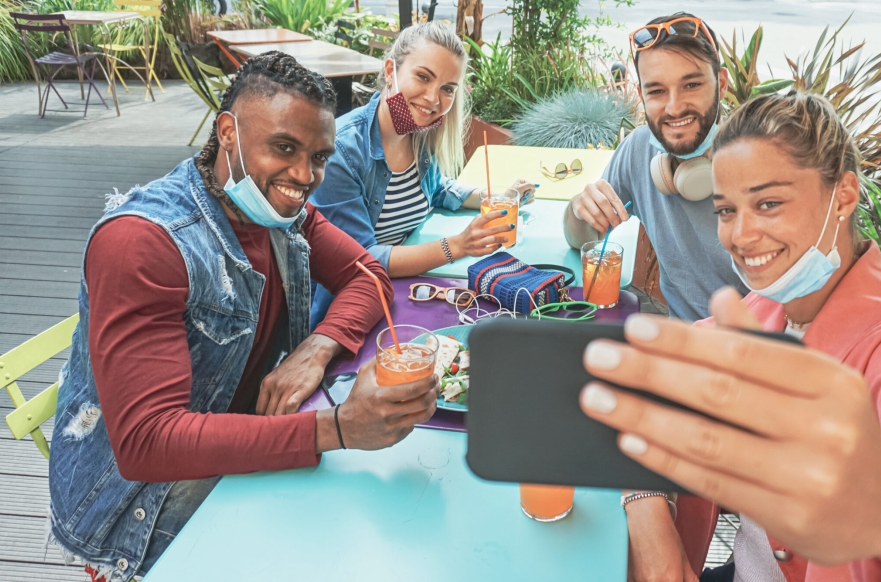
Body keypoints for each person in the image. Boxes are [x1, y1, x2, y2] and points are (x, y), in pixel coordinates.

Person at [580, 91, 881, 581]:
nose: (740, 234)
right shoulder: (765, 312)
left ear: (843, 195)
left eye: (769, 203)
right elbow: (647, 392)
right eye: (727, 210)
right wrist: (654, 528)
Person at [47, 52, 440, 582]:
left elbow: (366, 274)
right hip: (134, 505)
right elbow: (146, 444)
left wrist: (317, 347)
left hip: (243, 438)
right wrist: (338, 429)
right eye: (284, 148)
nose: (305, 176)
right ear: (228, 132)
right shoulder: (143, 242)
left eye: (320, 157)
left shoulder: (280, 211)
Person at [309, 22, 535, 328]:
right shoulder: (343, 152)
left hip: (407, 292)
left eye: (447, 89)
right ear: (391, 71)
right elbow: (362, 259)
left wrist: (497, 196)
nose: (433, 99)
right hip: (350, 310)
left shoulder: (418, 135)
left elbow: (439, 188)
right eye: (423, 77)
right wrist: (458, 246)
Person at [563, 13, 747, 321]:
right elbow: (580, 239)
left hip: (755, 354)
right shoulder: (639, 148)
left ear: (722, 84)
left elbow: (794, 304)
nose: (674, 108)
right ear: (641, 96)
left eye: (691, 84)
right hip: (678, 348)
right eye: (657, 91)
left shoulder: (760, 165)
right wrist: (579, 211)